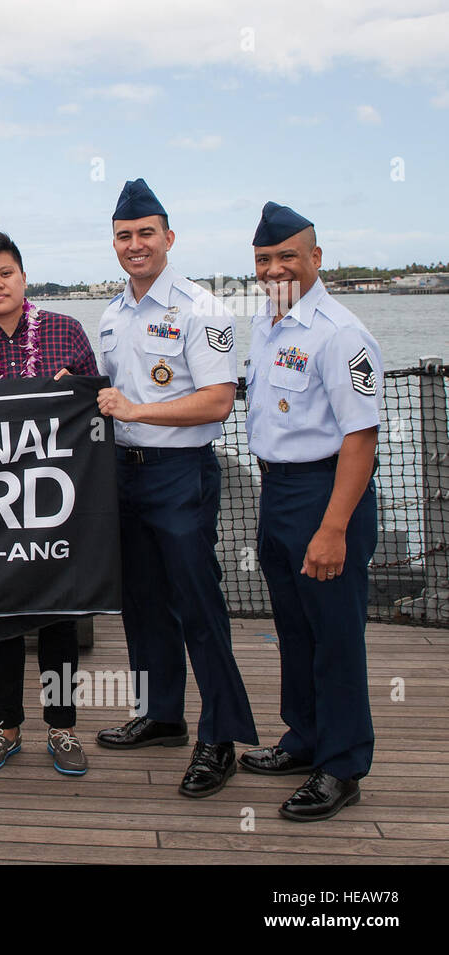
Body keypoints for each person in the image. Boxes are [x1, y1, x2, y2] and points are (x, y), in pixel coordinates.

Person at [93, 179, 258, 797]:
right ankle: (161, 714)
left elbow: (217, 402)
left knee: (197, 605)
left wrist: (136, 411)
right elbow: (106, 393)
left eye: (145, 234)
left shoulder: (201, 309)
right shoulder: (111, 313)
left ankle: (220, 738)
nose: (135, 245)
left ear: (168, 238)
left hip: (179, 475)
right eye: (124, 236)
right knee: (141, 601)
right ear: (114, 243)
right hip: (123, 474)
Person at [241, 203, 382, 821]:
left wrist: (333, 528)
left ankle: (343, 765)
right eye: (264, 260)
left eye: (286, 257)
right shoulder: (267, 324)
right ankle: (303, 739)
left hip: (327, 496)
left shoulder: (342, 333)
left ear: (315, 259)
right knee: (294, 630)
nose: (274, 269)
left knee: (336, 637)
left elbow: (362, 439)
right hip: (278, 492)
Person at [0, 227, 99, 777]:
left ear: (23, 276)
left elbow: (95, 413)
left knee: (58, 617)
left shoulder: (67, 332)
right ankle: (6, 725)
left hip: (57, 505)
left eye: (4, 273)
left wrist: (75, 391)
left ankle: (63, 728)